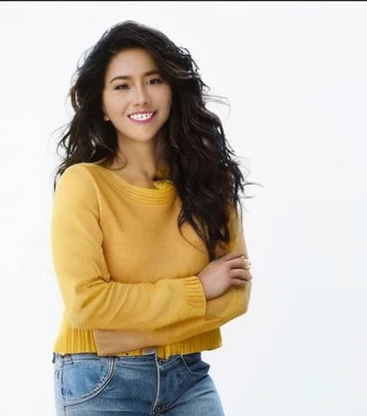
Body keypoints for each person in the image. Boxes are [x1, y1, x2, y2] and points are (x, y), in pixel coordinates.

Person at [50, 20, 254, 416]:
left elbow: (236, 296)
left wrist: (122, 330)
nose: (140, 97)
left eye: (154, 80)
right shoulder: (83, 184)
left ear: (172, 90)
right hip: (100, 379)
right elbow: (87, 305)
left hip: (188, 377)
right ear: (102, 105)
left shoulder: (211, 179)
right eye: (122, 86)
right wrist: (197, 289)